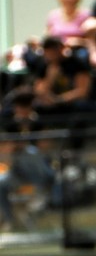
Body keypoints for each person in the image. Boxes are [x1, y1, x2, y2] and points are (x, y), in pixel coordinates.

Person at [0, 88, 56, 230]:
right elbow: (6, 150)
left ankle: (40, 202)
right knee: (1, 183)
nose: (21, 110)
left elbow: (44, 147)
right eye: (19, 107)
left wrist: (24, 142)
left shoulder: (38, 121)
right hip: (17, 169)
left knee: (31, 152)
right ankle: (9, 220)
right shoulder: (10, 123)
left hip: (38, 169)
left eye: (25, 107)